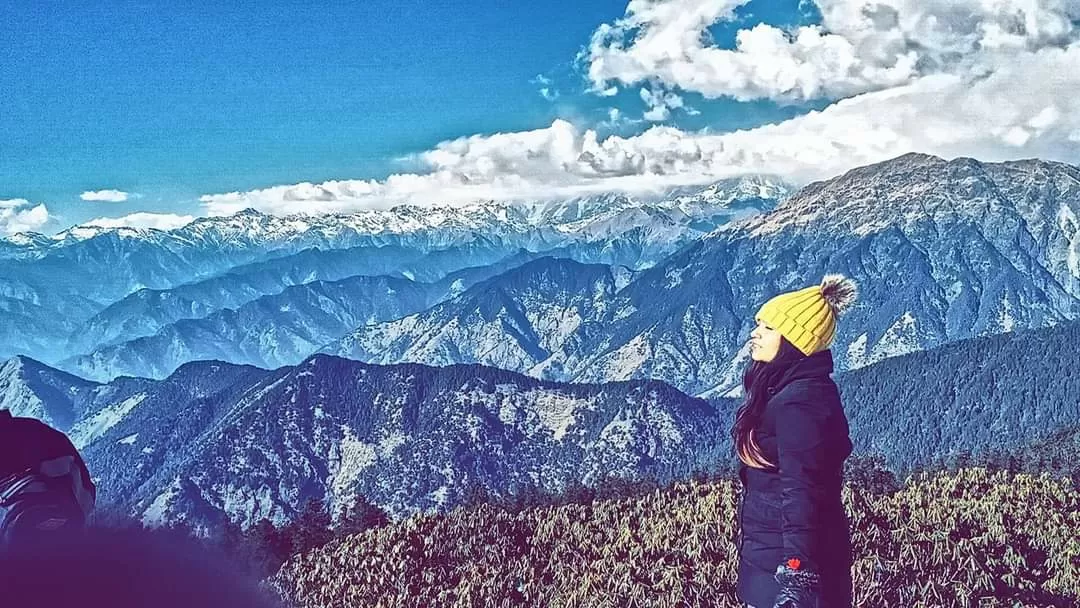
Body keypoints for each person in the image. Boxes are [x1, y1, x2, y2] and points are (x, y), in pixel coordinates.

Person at [731, 274, 858, 608]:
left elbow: (802, 490)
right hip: (769, 564)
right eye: (758, 324)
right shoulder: (789, 392)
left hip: (786, 575)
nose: (754, 334)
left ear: (794, 340)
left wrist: (796, 575)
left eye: (768, 327)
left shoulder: (798, 403)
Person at [0, 408, 96, 551]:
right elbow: (85, 496)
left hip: (42, 522)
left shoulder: (26, 437)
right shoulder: (32, 431)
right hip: (68, 521)